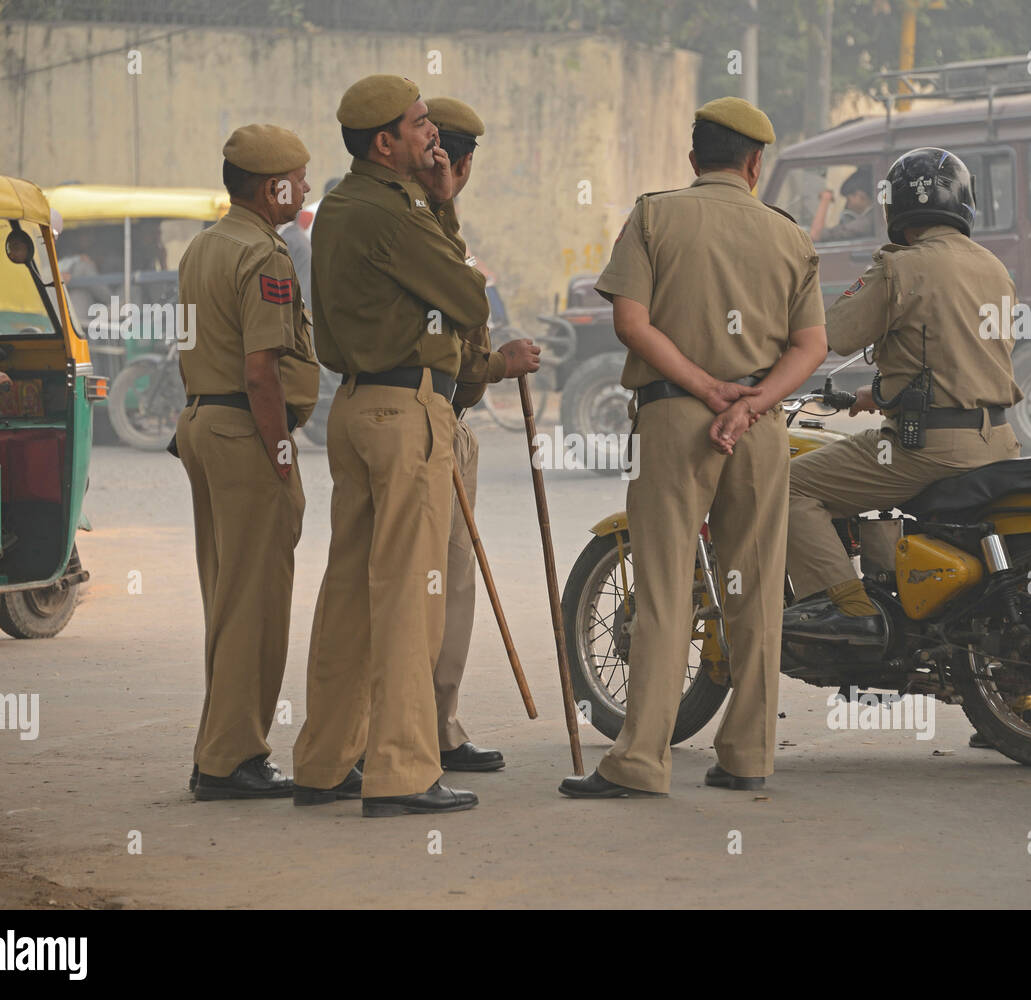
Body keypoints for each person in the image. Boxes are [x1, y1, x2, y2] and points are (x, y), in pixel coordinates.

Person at [559, 96, 829, 799]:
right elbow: (811, 346)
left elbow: (630, 322)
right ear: (755, 164)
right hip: (761, 430)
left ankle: (641, 761)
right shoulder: (788, 237)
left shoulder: (655, 216)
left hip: (676, 420)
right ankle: (748, 755)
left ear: (692, 159)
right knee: (756, 588)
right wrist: (751, 403)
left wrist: (704, 389)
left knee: (664, 586)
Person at [291, 75, 490, 817]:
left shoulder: (342, 205)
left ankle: (322, 761)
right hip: (406, 408)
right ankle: (404, 769)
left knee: (349, 592)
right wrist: (444, 202)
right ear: (385, 143)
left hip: (355, 406)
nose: (431, 137)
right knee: (412, 596)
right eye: (419, 126)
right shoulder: (398, 211)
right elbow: (469, 300)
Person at [783, 147, 1023, 645]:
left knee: (786, 487)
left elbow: (833, 335)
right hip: (1000, 442)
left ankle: (847, 611)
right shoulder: (995, 268)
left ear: (895, 211)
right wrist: (881, 393)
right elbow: (956, 361)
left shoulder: (900, 268)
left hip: (930, 449)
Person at [176, 124, 320, 800]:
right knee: (255, 602)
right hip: (248, 429)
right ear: (273, 187)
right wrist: (283, 456)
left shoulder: (203, 245)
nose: (308, 186)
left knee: (228, 594)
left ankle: (219, 749)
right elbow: (262, 372)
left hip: (205, 422)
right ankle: (232, 758)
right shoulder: (266, 257)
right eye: (300, 176)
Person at [424, 96, 541, 772]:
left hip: (420, 414)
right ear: (461, 164)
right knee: (437, 584)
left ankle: (432, 725)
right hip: (433, 415)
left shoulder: (395, 217)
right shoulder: (428, 231)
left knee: (431, 582)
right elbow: (462, 351)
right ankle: (428, 729)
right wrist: (501, 365)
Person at [810, 166, 876, 243]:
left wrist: (825, 199)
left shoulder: (864, 224)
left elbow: (815, 236)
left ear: (860, 196)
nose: (847, 206)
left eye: (848, 200)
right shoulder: (872, 217)